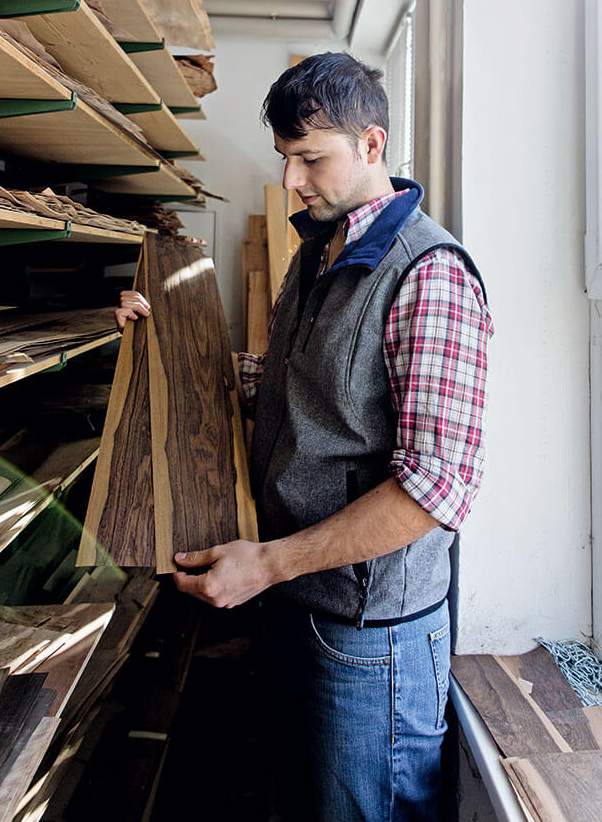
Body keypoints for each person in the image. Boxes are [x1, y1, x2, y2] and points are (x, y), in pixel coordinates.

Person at [115, 52, 493, 822]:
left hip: (370, 644)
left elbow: (435, 491)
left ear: (373, 145)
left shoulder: (431, 275)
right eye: (287, 159)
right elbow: (288, 388)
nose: (293, 181)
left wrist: (269, 565)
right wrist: (161, 348)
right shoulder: (320, 250)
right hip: (297, 602)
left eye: (311, 159)